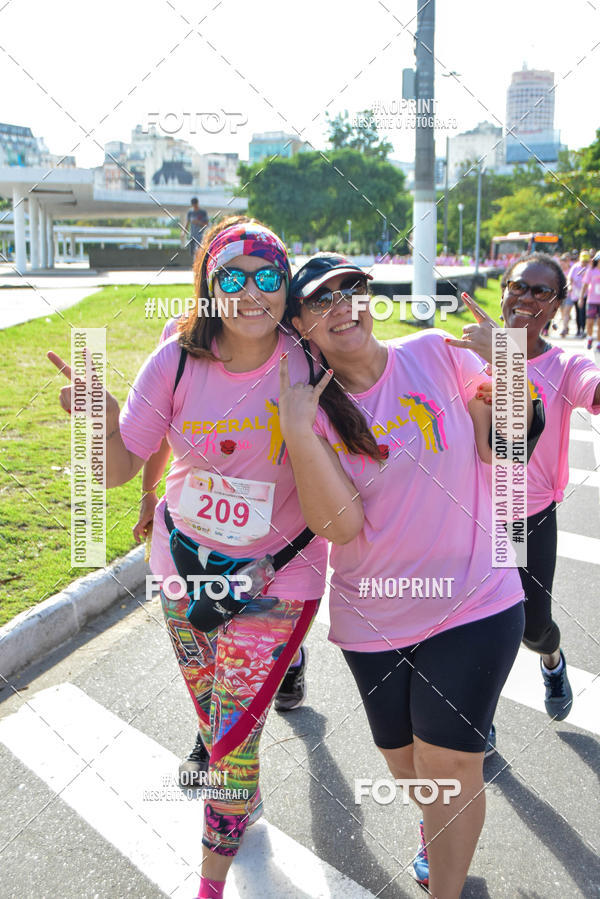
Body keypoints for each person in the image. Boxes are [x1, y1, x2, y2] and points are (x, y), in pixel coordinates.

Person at [49, 221, 327, 899]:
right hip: (182, 568)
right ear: (208, 286)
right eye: (231, 277)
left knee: (229, 742)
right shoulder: (175, 359)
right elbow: (119, 467)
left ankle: (209, 883)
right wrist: (99, 417)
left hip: (278, 578)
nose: (251, 291)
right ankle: (241, 801)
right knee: (214, 718)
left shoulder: (308, 361)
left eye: (268, 276)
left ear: (286, 284)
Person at [279, 254, 543, 897]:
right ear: (300, 325)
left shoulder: (434, 354)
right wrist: (298, 432)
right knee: (408, 767)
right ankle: (435, 827)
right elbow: (340, 526)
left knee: (449, 763)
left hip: (476, 598)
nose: (343, 307)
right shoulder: (310, 409)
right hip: (373, 616)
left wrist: (510, 366)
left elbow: (505, 449)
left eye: (352, 290)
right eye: (321, 300)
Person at [478, 254, 600, 725]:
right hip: (468, 510)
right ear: (503, 292)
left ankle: (552, 660)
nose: (526, 297)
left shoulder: (566, 365)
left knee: (532, 627)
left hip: (523, 515)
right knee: (473, 624)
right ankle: (474, 720)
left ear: (557, 306)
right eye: (518, 286)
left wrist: (505, 359)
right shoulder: (470, 350)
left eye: (541, 291)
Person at [566, 250, 590, 338]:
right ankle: (578, 329)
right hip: (576, 293)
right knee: (577, 311)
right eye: (583, 261)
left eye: (586, 261)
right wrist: (569, 286)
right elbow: (570, 278)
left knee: (583, 311)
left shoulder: (589, 268)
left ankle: (583, 329)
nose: (584, 263)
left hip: (586, 293)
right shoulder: (575, 267)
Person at [581, 251, 600, 350]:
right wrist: (581, 298)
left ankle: (599, 342)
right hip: (592, 300)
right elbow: (585, 285)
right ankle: (589, 338)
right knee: (590, 322)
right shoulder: (591, 271)